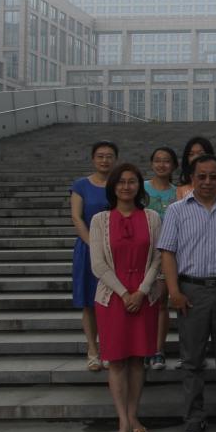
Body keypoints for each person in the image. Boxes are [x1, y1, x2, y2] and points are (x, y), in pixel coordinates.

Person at [158, 154, 216, 432]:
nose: (207, 182)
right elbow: (167, 253)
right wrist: (174, 292)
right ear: (192, 178)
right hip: (191, 291)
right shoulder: (177, 211)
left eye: (213, 176)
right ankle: (194, 417)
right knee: (192, 359)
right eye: (201, 176)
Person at [89, 163, 163, 432]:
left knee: (137, 360)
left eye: (132, 181)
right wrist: (123, 293)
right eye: (121, 182)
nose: (126, 187)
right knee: (117, 360)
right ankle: (122, 420)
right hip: (113, 298)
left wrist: (141, 291)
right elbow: (98, 264)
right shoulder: (100, 220)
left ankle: (134, 416)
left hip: (143, 298)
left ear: (139, 186)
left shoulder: (152, 217)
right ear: (113, 187)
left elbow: (158, 258)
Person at [70, 140, 117, 372]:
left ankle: (109, 349)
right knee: (89, 303)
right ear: (93, 159)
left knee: (112, 302)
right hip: (88, 249)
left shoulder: (119, 184)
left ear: (115, 159)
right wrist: (93, 245)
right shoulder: (81, 185)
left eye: (109, 156)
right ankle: (92, 350)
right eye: (100, 156)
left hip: (115, 250)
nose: (104, 160)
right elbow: (77, 217)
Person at [143, 146, 179, 371]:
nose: (161, 165)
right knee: (142, 303)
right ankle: (141, 348)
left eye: (166, 161)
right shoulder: (141, 188)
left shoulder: (178, 192)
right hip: (143, 254)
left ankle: (158, 350)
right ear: (151, 163)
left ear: (174, 165)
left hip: (168, 254)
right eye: (157, 160)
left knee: (161, 303)